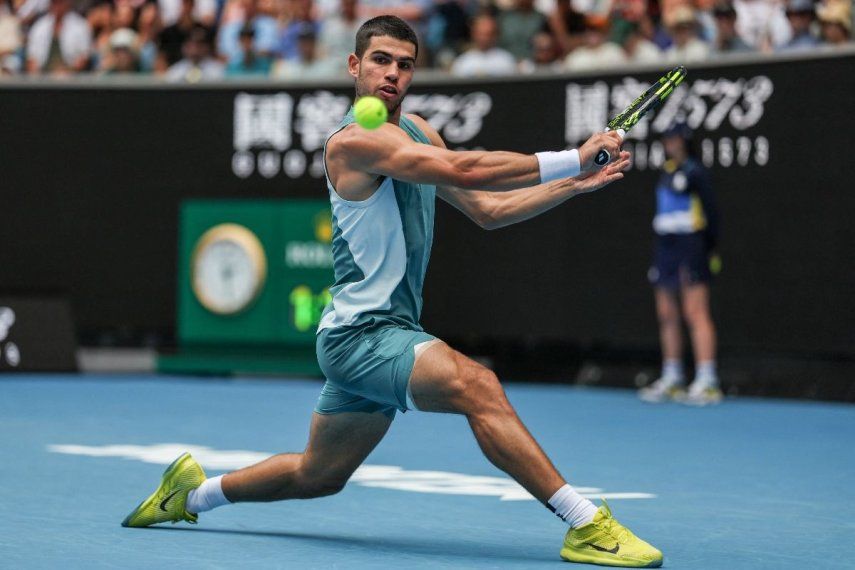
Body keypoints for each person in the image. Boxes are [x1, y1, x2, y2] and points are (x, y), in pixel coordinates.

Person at [121, 15, 663, 568]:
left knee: (318, 475)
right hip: (361, 336)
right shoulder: (354, 143)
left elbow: (489, 210)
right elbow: (466, 169)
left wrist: (573, 184)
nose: (392, 73)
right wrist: (572, 156)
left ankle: (187, 495)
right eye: (380, 59)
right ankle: (585, 525)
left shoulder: (421, 131)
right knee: (478, 386)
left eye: (404, 64)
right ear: (355, 66)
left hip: (384, 334)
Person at [638, 124, 722, 407]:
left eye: (673, 139)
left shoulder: (696, 172)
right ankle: (672, 377)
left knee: (695, 312)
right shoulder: (666, 171)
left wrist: (708, 249)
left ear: (685, 142)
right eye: (666, 139)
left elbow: (711, 214)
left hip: (691, 246)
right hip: (665, 247)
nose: (668, 143)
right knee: (666, 313)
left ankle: (707, 380)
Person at [450, 13, 517, 76]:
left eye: (488, 34)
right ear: (473, 34)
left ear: (496, 35)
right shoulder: (462, 62)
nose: (484, 39)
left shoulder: (507, 61)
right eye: (480, 34)